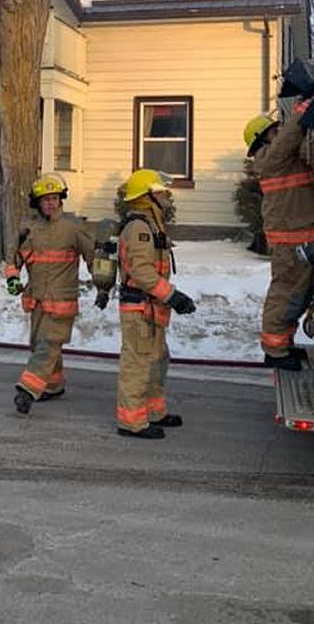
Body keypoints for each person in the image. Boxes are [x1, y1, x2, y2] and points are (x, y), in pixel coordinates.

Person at [115, 169, 197, 439]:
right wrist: (173, 296)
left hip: (152, 308)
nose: (166, 195)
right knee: (137, 365)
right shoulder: (140, 228)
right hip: (139, 309)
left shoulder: (152, 223)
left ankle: (154, 412)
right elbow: (142, 273)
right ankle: (132, 423)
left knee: (157, 361)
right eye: (160, 191)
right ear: (147, 196)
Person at [5, 173, 94, 415]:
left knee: (48, 344)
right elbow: (14, 256)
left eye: (55, 198)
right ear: (37, 203)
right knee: (38, 345)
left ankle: (27, 390)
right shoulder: (29, 229)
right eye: (46, 200)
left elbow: (94, 258)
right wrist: (12, 278)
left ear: (61, 199)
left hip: (62, 300)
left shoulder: (73, 228)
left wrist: (104, 285)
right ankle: (53, 385)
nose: (51, 203)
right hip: (36, 299)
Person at [243, 102, 314, 372]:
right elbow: (289, 137)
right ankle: (275, 350)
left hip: (298, 239)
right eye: (273, 129)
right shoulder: (271, 157)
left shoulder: (280, 159)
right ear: (263, 137)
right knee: (286, 294)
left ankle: (282, 343)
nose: (278, 131)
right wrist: (303, 110)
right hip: (291, 244)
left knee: (298, 294)